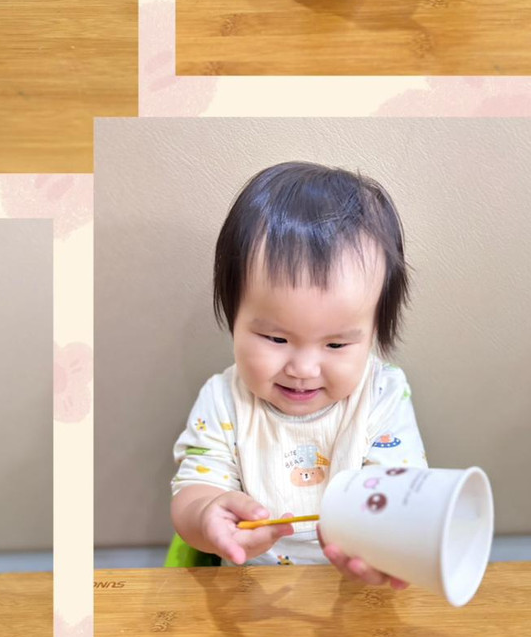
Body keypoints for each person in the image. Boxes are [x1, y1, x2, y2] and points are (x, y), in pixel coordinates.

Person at [171, 162, 427, 587]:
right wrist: (206, 514)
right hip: (248, 592)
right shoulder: (223, 400)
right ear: (233, 319)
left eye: (336, 345)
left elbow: (401, 490)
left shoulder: (382, 393)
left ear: (373, 334)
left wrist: (391, 542)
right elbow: (194, 491)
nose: (304, 369)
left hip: (354, 587)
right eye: (275, 338)